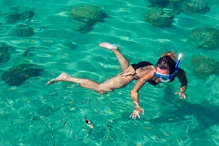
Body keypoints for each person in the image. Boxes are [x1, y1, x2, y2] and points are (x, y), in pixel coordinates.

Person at [46, 42, 188, 119]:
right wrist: (136, 106)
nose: (160, 79)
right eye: (159, 74)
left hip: (141, 66)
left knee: (124, 69)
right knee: (102, 88)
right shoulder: (150, 74)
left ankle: (116, 50)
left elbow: (184, 82)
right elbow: (134, 90)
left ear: (173, 71)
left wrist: (182, 91)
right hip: (135, 73)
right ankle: (66, 77)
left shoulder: (178, 72)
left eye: (166, 77)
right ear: (156, 69)